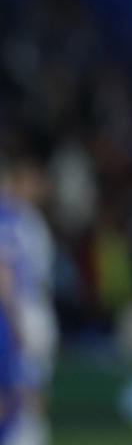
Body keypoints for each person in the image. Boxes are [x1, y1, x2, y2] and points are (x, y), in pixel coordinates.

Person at [0, 148, 55, 445]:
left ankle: (31, 433)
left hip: (34, 307)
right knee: (20, 387)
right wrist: (15, 319)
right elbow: (4, 273)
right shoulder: (7, 217)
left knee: (33, 384)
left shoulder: (28, 217)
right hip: (21, 310)